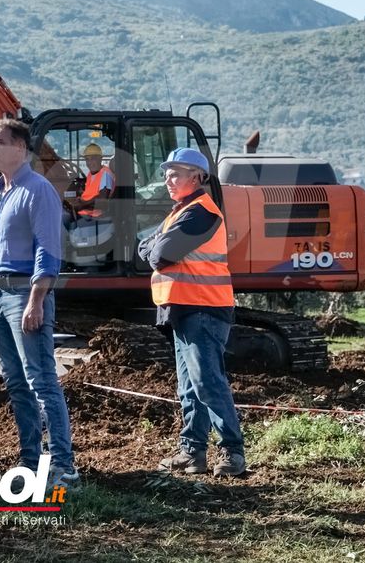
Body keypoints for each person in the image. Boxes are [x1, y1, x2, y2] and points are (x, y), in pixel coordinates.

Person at [0, 118, 79, 490]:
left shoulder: (39, 190)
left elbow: (49, 251)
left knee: (41, 380)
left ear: (21, 148)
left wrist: (36, 300)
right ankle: (31, 463)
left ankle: (63, 466)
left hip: (23, 296)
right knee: (16, 383)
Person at [137, 147, 246, 478]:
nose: (168, 179)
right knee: (189, 386)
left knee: (206, 382)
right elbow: (146, 247)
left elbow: (158, 255)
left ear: (197, 177)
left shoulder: (202, 212)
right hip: (183, 308)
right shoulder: (179, 212)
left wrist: (157, 246)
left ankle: (233, 453)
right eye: (167, 173)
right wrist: (157, 245)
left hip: (203, 307)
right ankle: (193, 453)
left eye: (176, 173)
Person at [66, 143, 115, 218]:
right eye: (87, 159)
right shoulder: (91, 173)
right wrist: (80, 199)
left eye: (93, 159)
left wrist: (82, 204)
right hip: (85, 212)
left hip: (95, 217)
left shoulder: (105, 174)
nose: (89, 163)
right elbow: (90, 194)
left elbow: (102, 200)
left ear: (100, 158)